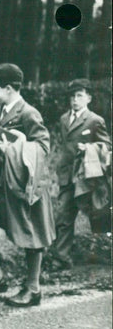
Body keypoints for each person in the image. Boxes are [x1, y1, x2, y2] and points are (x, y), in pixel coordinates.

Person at [0, 64, 55, 307]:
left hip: (23, 181)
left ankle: (33, 289)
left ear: (8, 88)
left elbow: (43, 147)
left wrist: (15, 150)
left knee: (31, 232)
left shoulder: (29, 113)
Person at [51, 78, 111, 271]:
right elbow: (64, 145)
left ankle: (102, 254)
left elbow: (107, 146)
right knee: (63, 215)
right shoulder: (63, 119)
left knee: (96, 213)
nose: (75, 100)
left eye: (79, 96)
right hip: (67, 175)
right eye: (72, 96)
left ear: (88, 98)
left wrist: (89, 147)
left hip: (87, 177)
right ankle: (61, 258)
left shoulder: (95, 120)